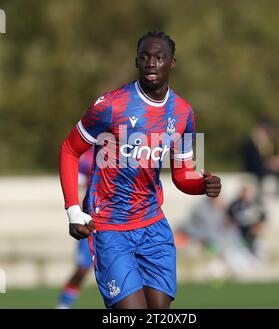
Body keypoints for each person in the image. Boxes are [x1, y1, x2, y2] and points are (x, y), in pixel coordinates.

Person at [59, 31, 222, 309]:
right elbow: (69, 150)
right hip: (110, 226)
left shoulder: (183, 113)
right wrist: (74, 210)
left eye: (159, 57)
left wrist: (202, 186)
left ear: (172, 63)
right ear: (136, 61)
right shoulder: (110, 106)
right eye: (145, 57)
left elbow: (183, 175)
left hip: (152, 226)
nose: (151, 63)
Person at [57, 147, 94, 309]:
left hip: (119, 221)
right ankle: (63, 305)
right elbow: (78, 187)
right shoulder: (86, 156)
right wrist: (78, 215)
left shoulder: (124, 150)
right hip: (92, 219)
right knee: (82, 268)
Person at [243, 118, 279, 200]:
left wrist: (278, 162)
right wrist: (268, 163)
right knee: (261, 170)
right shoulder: (252, 141)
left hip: (268, 165)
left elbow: (274, 154)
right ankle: (260, 192)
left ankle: (278, 191)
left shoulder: (270, 141)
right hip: (256, 167)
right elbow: (252, 159)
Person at [228, 186, 266, 259]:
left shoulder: (256, 204)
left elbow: (263, 217)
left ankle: (257, 255)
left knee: (255, 242)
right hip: (239, 228)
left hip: (252, 229)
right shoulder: (235, 204)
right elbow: (229, 217)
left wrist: (258, 226)